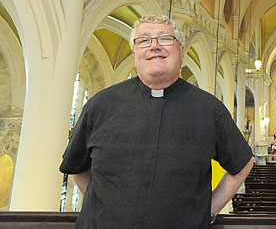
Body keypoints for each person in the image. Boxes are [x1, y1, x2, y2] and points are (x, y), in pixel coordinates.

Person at [60, 15, 254, 228]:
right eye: (143, 40)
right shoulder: (101, 104)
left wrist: (207, 210)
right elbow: (76, 165)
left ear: (181, 51)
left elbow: (242, 163)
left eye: (165, 38)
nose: (154, 46)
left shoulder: (209, 108)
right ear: (135, 53)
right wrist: (104, 206)